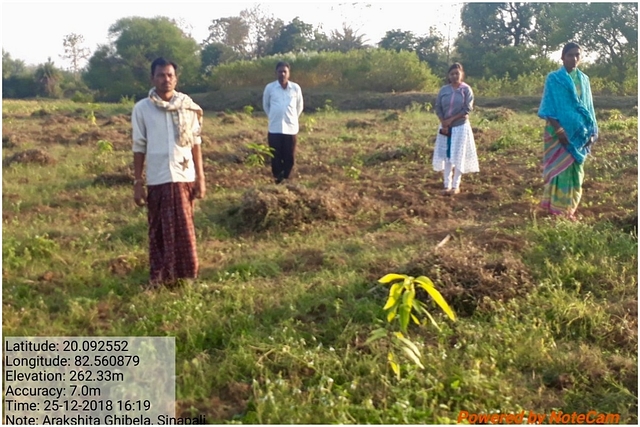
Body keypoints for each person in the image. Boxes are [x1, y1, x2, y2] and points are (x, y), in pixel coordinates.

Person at [131, 57, 206, 288]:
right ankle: (161, 276)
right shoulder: (142, 109)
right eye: (161, 75)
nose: (166, 79)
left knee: (184, 228)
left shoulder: (187, 106)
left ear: (176, 78)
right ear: (153, 78)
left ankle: (187, 276)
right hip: (157, 179)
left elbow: (195, 142)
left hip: (184, 177)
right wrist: (137, 181)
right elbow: (139, 146)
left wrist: (201, 178)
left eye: (170, 75)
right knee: (159, 231)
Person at [538, 42, 598, 221]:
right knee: (559, 171)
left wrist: (592, 131)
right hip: (558, 135)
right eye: (570, 55)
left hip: (579, 136)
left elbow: (588, 107)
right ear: (562, 57)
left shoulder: (584, 80)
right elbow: (549, 107)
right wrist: (559, 130)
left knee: (576, 173)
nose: (574, 58)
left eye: (577, 55)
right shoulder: (554, 79)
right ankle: (558, 210)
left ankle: (570, 209)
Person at [432, 62, 479, 195]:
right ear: (448, 75)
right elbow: (438, 107)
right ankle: (446, 185)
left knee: (458, 155)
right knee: (447, 156)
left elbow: (467, 109)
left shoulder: (466, 90)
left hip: (460, 126)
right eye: (452, 74)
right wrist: (444, 122)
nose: (454, 76)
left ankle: (455, 186)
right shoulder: (444, 90)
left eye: (457, 73)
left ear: (461, 74)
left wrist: (451, 120)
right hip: (445, 128)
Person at [262, 61, 304, 184]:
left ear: (289, 73)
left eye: (285, 71)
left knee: (289, 157)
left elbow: (299, 106)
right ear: (276, 73)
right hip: (275, 128)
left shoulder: (295, 88)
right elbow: (266, 105)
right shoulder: (270, 88)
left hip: (291, 128)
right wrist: (274, 116)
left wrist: (292, 118)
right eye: (280, 71)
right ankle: (277, 180)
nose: (282, 74)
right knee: (275, 156)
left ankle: (287, 179)